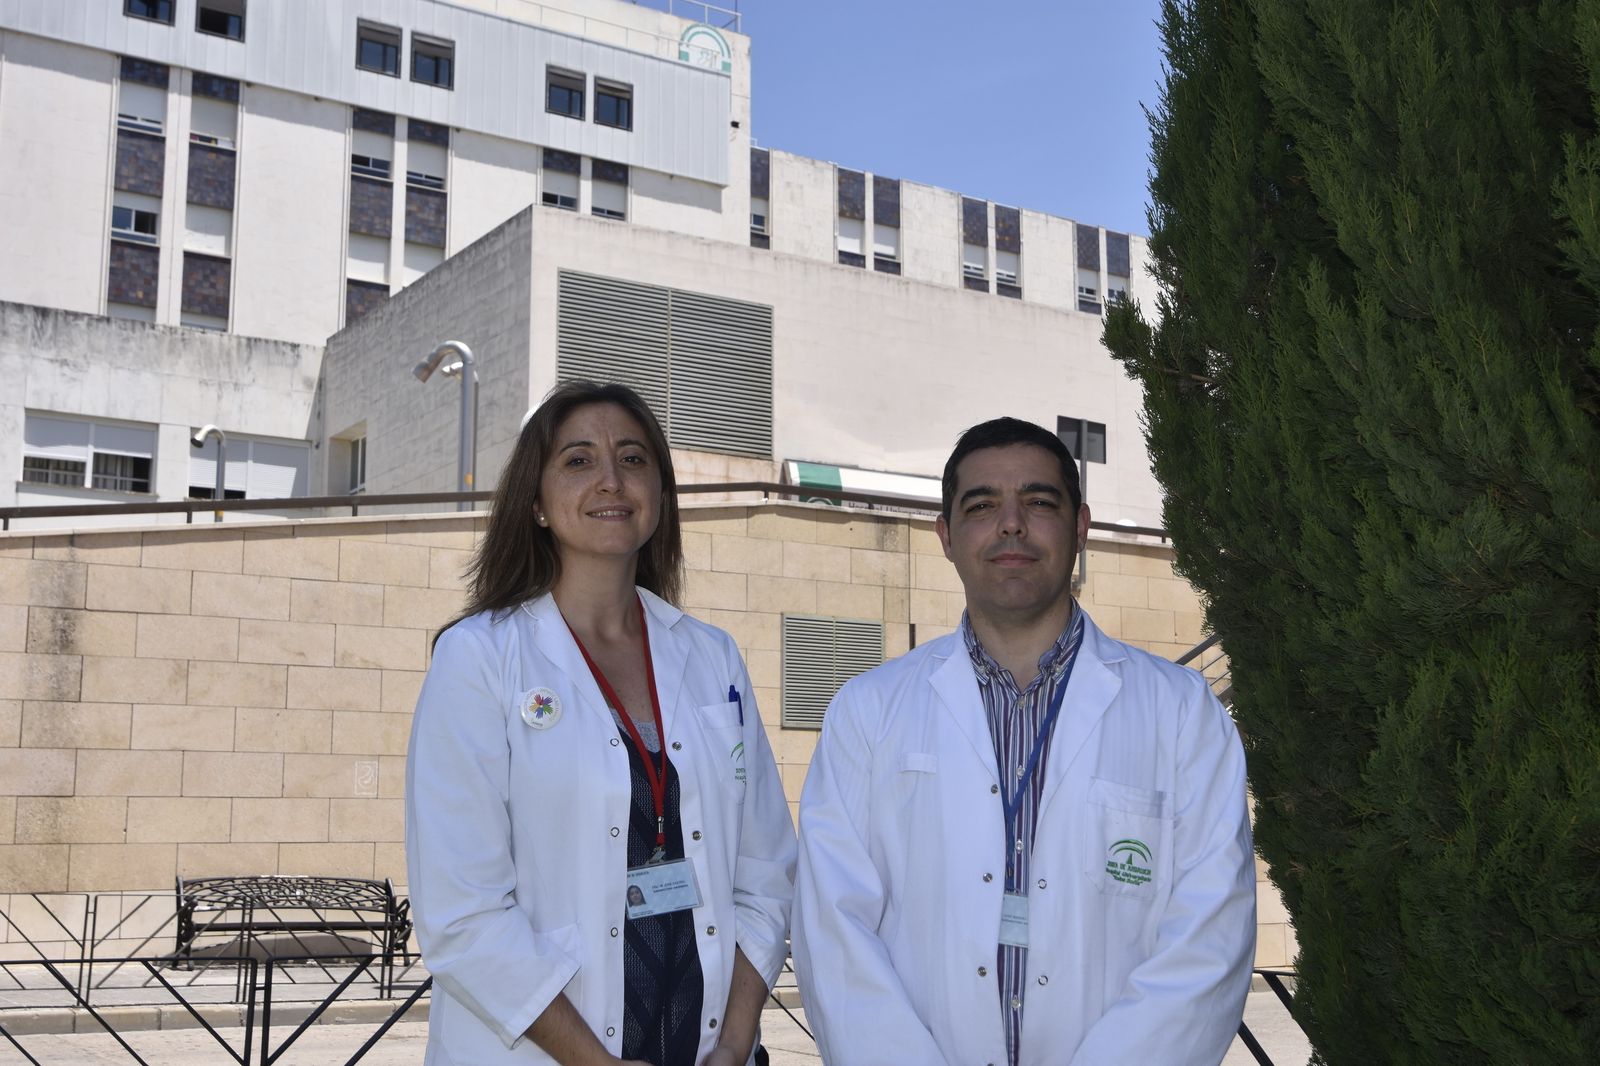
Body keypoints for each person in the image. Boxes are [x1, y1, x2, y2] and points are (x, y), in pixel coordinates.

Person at [792, 417, 1255, 1066]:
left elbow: (1210, 938)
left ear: (1081, 526)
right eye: (982, 506)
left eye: (1039, 502)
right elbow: (833, 934)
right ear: (945, 536)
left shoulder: (1182, 713)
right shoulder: (868, 712)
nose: (1011, 524)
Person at [406, 381, 797, 1066]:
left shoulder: (713, 658)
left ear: (660, 494)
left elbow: (764, 872)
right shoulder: (480, 658)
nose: (611, 479)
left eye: (634, 459)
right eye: (579, 460)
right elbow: (462, 914)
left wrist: (735, 1044)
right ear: (536, 501)